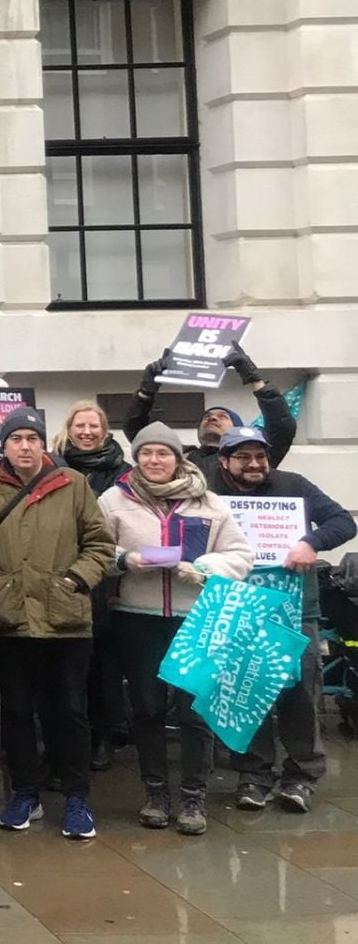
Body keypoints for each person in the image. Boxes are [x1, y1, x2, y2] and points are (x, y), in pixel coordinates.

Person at [0, 407, 115, 840]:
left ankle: (77, 798)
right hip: (9, 618)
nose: (25, 446)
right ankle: (24, 793)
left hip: (65, 618)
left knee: (71, 711)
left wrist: (75, 580)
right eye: (16, 439)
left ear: (44, 443)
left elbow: (100, 543)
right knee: (19, 711)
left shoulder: (73, 483)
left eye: (32, 438)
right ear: (3, 445)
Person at [99, 422, 252, 834]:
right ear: (136, 458)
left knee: (192, 713)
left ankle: (192, 797)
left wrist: (203, 568)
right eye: (146, 453)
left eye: (162, 453)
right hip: (137, 617)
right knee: (147, 708)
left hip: (196, 618)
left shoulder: (210, 502)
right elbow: (93, 547)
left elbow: (240, 555)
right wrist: (125, 560)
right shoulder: (114, 499)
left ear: (177, 458)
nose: (154, 460)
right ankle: (155, 793)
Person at [214, 426, 356, 812]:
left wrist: (310, 542)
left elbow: (345, 522)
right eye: (243, 457)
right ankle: (254, 775)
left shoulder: (295, 485)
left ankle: (302, 775)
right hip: (240, 606)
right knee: (247, 691)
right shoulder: (212, 493)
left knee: (300, 692)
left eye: (260, 456)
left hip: (297, 608)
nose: (255, 463)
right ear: (224, 461)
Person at [52, 399, 130, 773]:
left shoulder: (122, 472)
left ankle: (101, 736)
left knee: (101, 665)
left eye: (93, 426)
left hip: (105, 580)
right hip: (59, 574)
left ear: (105, 430)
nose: (86, 432)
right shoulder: (51, 467)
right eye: (79, 425)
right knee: (64, 667)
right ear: (69, 428)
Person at [124, 345, 295, 476]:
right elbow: (140, 434)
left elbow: (282, 428)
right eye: (207, 416)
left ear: (237, 429)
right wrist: (146, 391)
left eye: (222, 416)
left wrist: (255, 380)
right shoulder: (181, 456)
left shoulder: (255, 458)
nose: (213, 418)